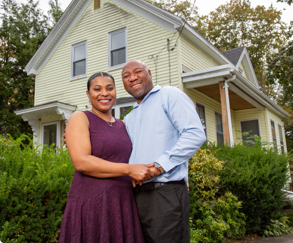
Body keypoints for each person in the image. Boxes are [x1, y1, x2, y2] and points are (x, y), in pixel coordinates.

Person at [59, 72, 151, 243]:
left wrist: (177, 173)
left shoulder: (123, 124)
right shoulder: (81, 118)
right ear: (88, 94)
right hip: (92, 203)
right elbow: (82, 162)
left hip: (123, 203)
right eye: (97, 89)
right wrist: (129, 169)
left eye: (110, 88)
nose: (104, 93)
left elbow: (146, 151)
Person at [121, 60, 206, 243]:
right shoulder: (129, 117)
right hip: (136, 197)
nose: (132, 78)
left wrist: (160, 166)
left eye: (137, 72)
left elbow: (194, 134)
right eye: (126, 76)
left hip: (165, 194)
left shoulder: (169, 95)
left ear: (149, 73)